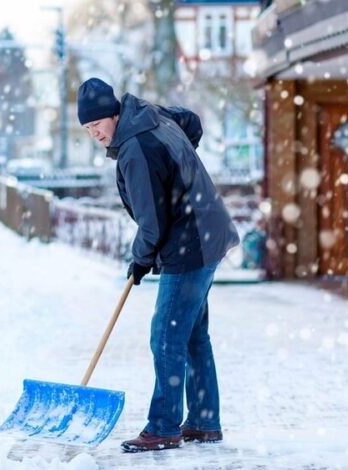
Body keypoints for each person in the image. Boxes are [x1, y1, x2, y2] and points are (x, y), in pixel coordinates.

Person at [77, 78, 239, 453]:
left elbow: (152, 222)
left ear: (113, 113)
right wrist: (180, 173)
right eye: (88, 129)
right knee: (193, 334)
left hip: (191, 243)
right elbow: (192, 121)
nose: (95, 133)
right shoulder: (150, 116)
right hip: (207, 231)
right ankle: (203, 420)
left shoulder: (134, 148)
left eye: (98, 123)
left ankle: (165, 426)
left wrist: (140, 259)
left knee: (165, 335)